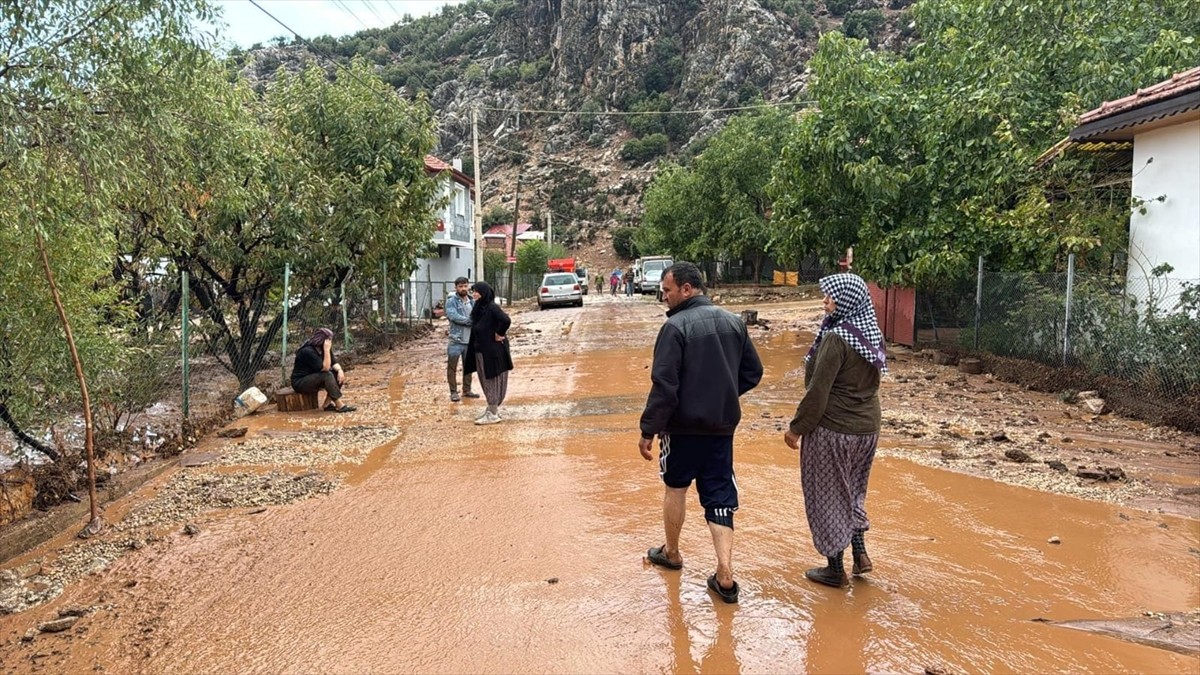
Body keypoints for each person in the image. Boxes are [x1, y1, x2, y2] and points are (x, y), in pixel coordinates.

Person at [639, 261, 763, 604]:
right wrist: (722, 395)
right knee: (720, 496)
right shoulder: (733, 322)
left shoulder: (675, 328)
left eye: (667, 290)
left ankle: (673, 553)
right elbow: (753, 372)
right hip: (721, 428)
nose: (663, 297)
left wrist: (648, 429)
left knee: (675, 487)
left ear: (687, 289)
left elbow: (664, 385)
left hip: (681, 429)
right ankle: (725, 572)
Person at [784, 273, 886, 589]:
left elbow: (818, 391)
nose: (825, 301)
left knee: (828, 495)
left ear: (846, 301)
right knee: (853, 489)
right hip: (867, 429)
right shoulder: (870, 335)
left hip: (834, 430)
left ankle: (834, 569)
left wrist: (797, 428)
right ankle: (860, 554)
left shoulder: (837, 338)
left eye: (830, 297)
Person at [463, 281, 512, 425]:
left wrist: (499, 333)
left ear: (484, 293)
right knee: (485, 380)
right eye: (473, 291)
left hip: (492, 353)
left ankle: (493, 413)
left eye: (477, 291)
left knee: (491, 380)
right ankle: (491, 409)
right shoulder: (479, 308)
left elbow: (505, 320)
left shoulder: (491, 307)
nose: (474, 294)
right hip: (481, 352)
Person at [290, 328, 356, 413]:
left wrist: (340, 370)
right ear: (323, 340)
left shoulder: (324, 349)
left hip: (314, 377)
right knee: (327, 375)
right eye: (329, 339)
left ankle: (327, 404)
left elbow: (333, 362)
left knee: (337, 374)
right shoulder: (308, 351)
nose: (330, 342)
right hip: (300, 382)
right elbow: (326, 368)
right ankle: (339, 405)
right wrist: (326, 350)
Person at [445, 276, 480, 403]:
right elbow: (452, 316)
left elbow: (478, 314)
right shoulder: (451, 301)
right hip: (456, 340)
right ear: (456, 288)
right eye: (460, 286)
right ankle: (453, 392)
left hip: (470, 340)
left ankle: (467, 390)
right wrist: (469, 321)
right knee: (452, 367)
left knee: (468, 367)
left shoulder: (472, 301)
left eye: (465, 286)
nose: (463, 288)